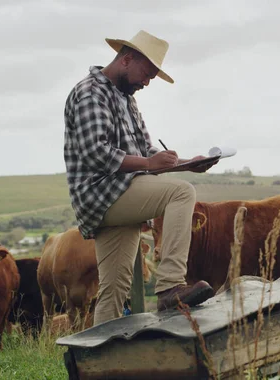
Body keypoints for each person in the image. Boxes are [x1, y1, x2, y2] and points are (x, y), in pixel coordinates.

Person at [63, 30, 217, 325]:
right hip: (102, 193)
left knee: (113, 290)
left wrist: (187, 163)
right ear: (127, 59)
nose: (146, 83)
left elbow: (146, 151)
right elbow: (96, 152)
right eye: (146, 74)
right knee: (181, 193)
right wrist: (148, 162)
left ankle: (101, 364)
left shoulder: (126, 99)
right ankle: (170, 286)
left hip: (119, 194)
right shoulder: (90, 93)